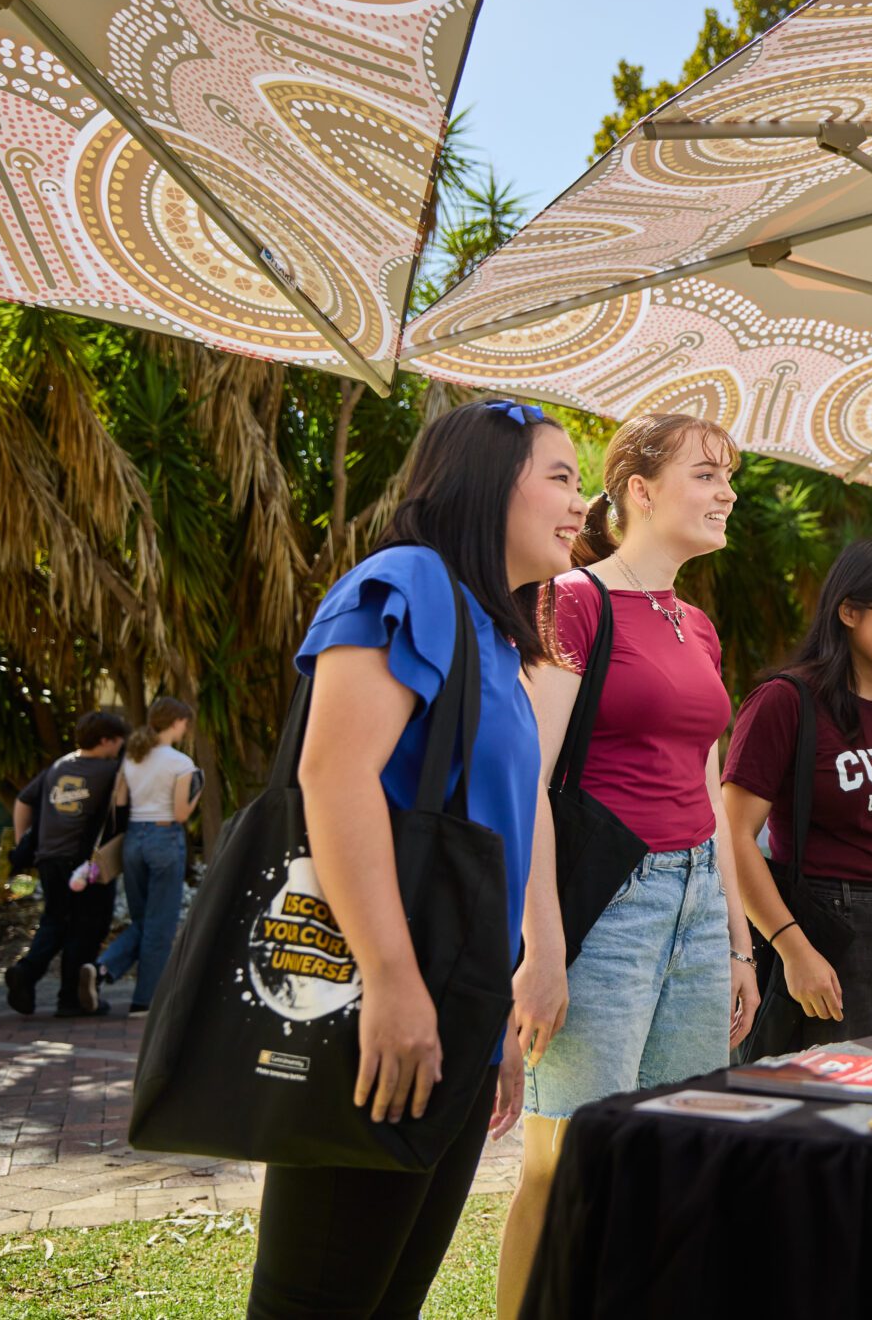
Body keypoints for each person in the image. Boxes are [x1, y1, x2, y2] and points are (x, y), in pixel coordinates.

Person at [245, 398, 583, 1320]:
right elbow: (333, 773)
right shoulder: (407, 582)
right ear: (485, 482)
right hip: (381, 992)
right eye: (561, 477)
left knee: (390, 1295)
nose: (579, 504)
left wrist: (488, 1027)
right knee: (317, 1297)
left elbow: (502, 830)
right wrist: (392, 980)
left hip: (457, 1012)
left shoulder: (498, 633)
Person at [496, 414, 755, 1319]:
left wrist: (738, 944)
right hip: (607, 905)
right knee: (566, 1158)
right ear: (639, 491)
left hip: (693, 903)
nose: (728, 492)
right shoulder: (572, 601)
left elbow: (709, 783)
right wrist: (543, 946)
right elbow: (524, 782)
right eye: (707, 474)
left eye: (732, 477)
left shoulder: (699, 625)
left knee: (679, 1152)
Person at [724, 535, 872, 1052]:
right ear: (849, 610)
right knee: (818, 1112)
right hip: (823, 934)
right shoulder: (786, 701)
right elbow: (733, 837)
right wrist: (792, 949)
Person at [4, 711, 129, 1018]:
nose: (120, 747)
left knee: (55, 920)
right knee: (87, 926)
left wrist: (24, 844)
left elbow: (23, 801)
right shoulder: (112, 771)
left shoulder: (58, 766)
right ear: (105, 741)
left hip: (49, 857)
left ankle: (27, 971)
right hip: (86, 863)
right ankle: (71, 998)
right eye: (117, 742)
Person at [84, 697, 199, 1016]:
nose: (185, 729)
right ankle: (144, 1001)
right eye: (184, 723)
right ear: (176, 722)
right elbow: (179, 813)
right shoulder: (181, 764)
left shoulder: (131, 758)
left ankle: (103, 970)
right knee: (160, 925)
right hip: (164, 837)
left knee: (145, 920)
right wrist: (196, 794)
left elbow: (119, 802)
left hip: (133, 839)